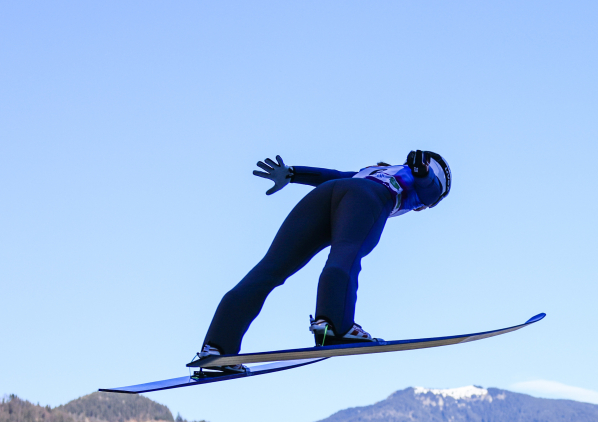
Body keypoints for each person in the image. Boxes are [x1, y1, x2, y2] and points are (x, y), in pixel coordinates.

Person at [191, 150, 450, 376]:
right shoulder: (418, 186)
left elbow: (330, 176)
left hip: (325, 195)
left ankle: (217, 347)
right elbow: (430, 190)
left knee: (269, 269)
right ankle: (334, 325)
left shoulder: (371, 171)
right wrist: (424, 174)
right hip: (367, 199)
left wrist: (292, 173)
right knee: (346, 253)